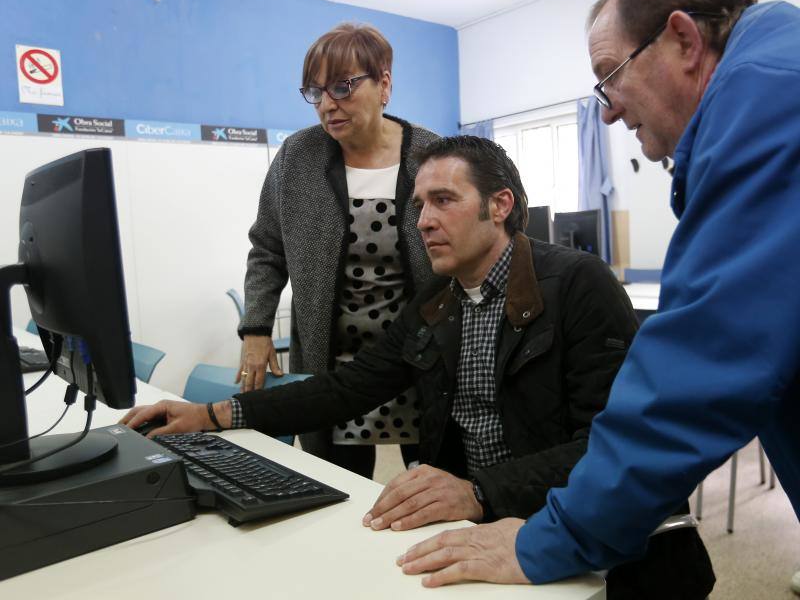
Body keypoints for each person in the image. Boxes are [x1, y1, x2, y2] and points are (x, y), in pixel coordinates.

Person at [124, 136, 714, 599]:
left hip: (584, 533)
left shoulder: (579, 286)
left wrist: (479, 490)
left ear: (500, 205)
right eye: (419, 206)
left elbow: (609, 446)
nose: (424, 220)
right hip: (488, 527)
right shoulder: (439, 300)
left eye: (444, 200)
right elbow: (348, 388)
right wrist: (215, 412)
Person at [396, 0, 800, 589]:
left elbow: (696, 375)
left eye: (609, 76)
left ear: (684, 41)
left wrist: (555, 537)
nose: (607, 111)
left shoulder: (769, 100)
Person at [237, 23, 438, 479]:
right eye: (317, 91)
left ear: (384, 83)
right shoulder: (298, 157)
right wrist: (256, 328)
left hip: (420, 360)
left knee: (436, 485)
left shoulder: (432, 153)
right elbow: (267, 248)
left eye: (344, 87)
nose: (329, 105)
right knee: (337, 488)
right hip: (334, 367)